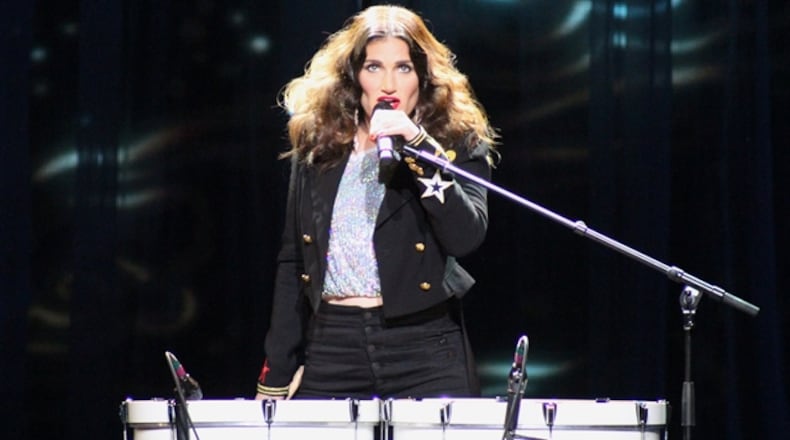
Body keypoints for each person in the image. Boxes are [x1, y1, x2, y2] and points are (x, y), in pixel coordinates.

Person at [255, 4, 499, 400]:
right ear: (353, 75)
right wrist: (277, 372)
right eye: (374, 67)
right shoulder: (320, 145)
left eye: (403, 67)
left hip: (424, 346)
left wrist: (420, 148)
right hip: (332, 341)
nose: (389, 83)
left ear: (422, 75)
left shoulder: (456, 141)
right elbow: (293, 260)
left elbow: (465, 238)